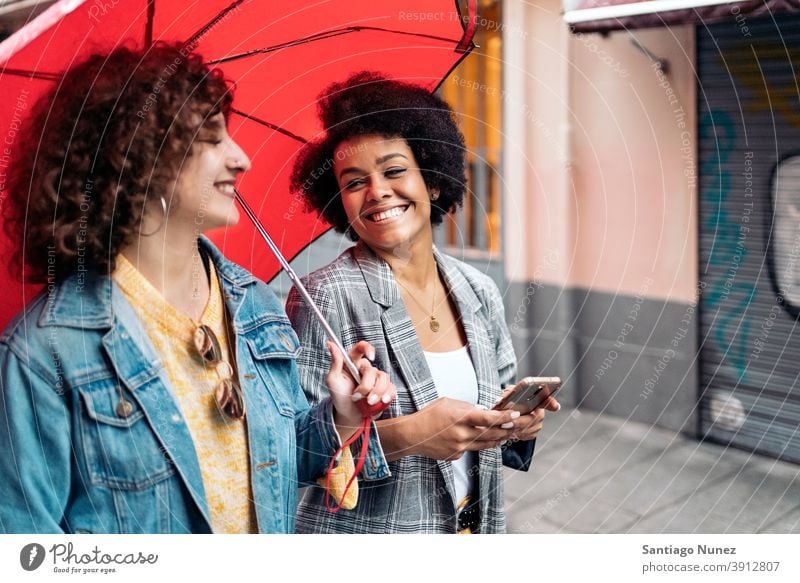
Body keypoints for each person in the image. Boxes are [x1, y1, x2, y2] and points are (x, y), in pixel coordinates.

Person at [0, 45, 394, 534]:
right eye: (211, 139)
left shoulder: (253, 303)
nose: (242, 158)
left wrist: (340, 416)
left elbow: (273, 462)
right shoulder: (47, 352)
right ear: (138, 159)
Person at [286, 72, 560, 534]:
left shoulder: (478, 290)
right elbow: (291, 451)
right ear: (341, 202)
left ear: (432, 181)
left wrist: (517, 424)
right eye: (355, 183)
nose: (377, 193)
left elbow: (496, 412)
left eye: (394, 171)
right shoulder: (323, 296)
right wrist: (410, 436)